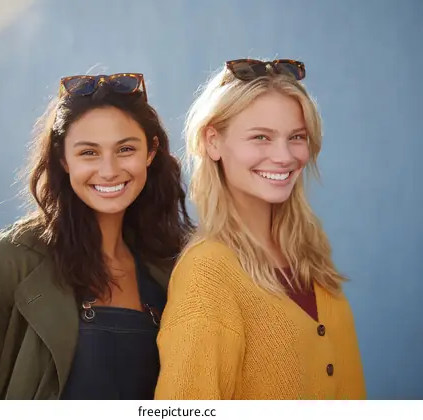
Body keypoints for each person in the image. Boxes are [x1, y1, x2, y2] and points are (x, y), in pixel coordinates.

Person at [0, 72, 193, 399]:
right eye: (88, 152)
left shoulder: (175, 263)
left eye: (125, 148)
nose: (109, 170)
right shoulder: (0, 265)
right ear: (63, 158)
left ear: (151, 151)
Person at [155, 59, 366, 399]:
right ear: (213, 141)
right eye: (261, 137)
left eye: (296, 137)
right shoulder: (208, 272)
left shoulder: (310, 253)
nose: (284, 156)